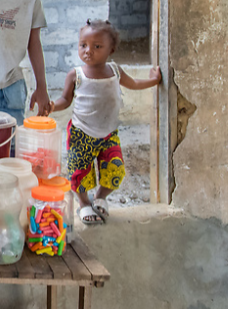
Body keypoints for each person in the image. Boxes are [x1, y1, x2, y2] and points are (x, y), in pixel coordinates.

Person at [49, 19, 161, 224]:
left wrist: (154, 81)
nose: (88, 51)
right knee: (79, 172)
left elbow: (134, 83)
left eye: (97, 46)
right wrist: (52, 106)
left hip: (109, 134)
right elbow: (66, 99)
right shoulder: (76, 75)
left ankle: (100, 197)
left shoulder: (115, 71)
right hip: (81, 133)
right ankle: (83, 204)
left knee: (115, 170)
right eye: (83, 45)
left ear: (111, 49)